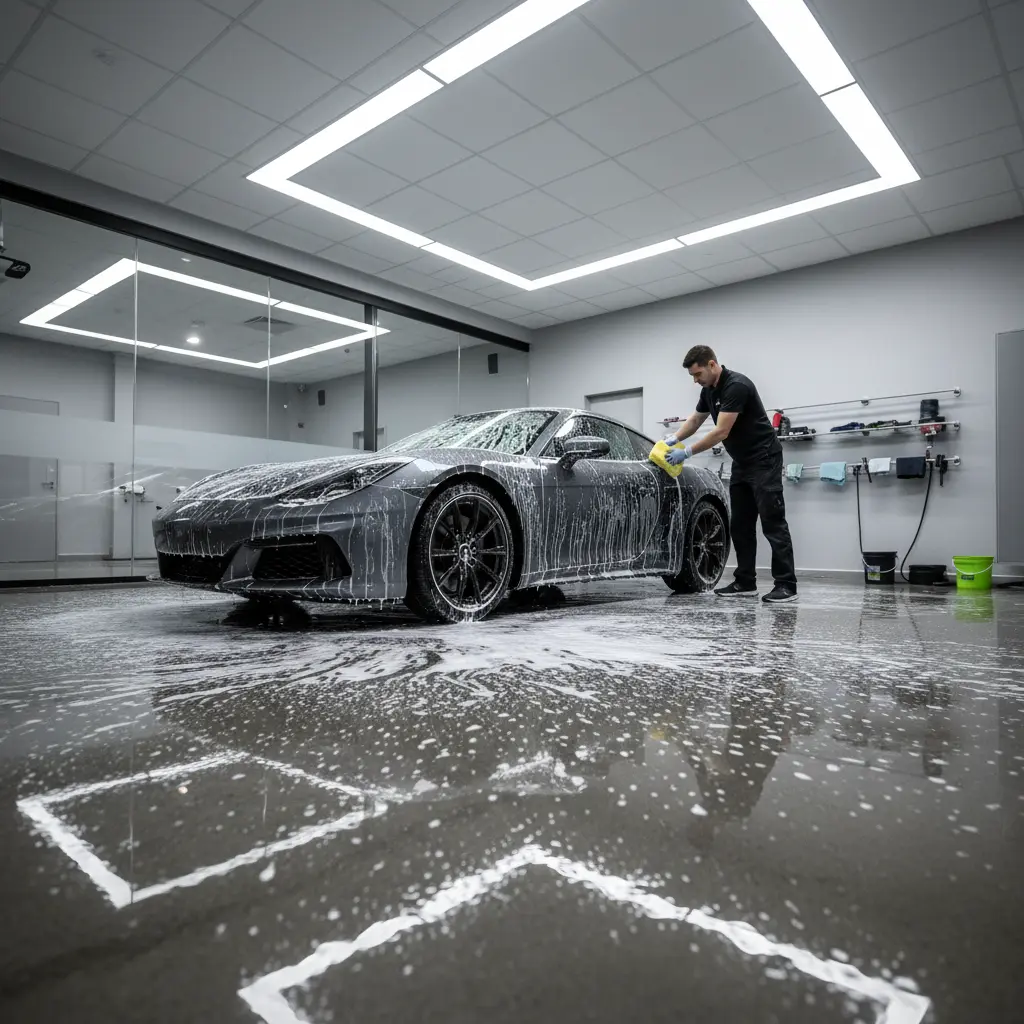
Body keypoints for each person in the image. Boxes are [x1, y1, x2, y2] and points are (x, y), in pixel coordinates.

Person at [664, 345, 797, 604]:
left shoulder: (737, 386)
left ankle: (786, 585)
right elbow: (696, 420)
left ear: (712, 365)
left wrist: (687, 452)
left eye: (698, 374)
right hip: (742, 462)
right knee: (740, 525)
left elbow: (721, 431)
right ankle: (745, 582)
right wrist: (674, 438)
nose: (695, 380)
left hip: (764, 459)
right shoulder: (708, 390)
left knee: (773, 523)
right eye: (692, 376)